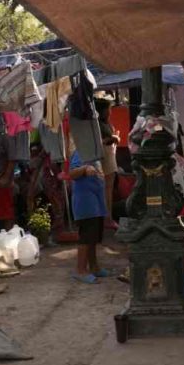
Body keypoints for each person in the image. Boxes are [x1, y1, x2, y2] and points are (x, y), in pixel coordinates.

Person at [68, 140, 108, 284]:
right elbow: (72, 173)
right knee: (86, 237)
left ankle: (94, 266)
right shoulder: (81, 153)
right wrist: (84, 169)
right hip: (86, 202)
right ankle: (80, 270)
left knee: (93, 237)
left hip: (96, 203)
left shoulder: (94, 154)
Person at [99, 100, 120, 230]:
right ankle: (108, 218)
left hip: (110, 155)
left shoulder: (105, 123)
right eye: (109, 109)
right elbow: (101, 141)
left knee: (107, 189)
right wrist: (113, 138)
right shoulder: (99, 125)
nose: (110, 111)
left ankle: (107, 217)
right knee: (107, 189)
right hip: (106, 156)